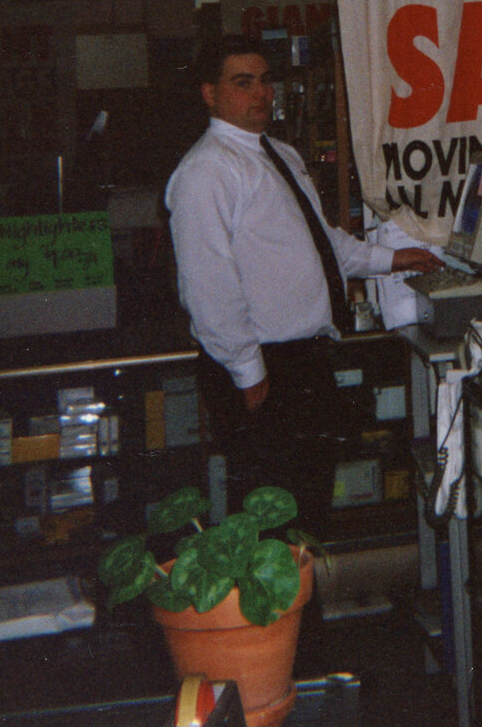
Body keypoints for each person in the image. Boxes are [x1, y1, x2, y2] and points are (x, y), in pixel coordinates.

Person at [165, 33, 441, 537]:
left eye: (265, 81)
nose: (261, 94)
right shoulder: (207, 171)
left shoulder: (279, 154)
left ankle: (299, 617)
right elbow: (208, 287)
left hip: (302, 361)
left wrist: (392, 258)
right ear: (209, 93)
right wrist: (250, 374)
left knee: (308, 519)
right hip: (261, 366)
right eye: (242, 83)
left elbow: (322, 242)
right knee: (274, 527)